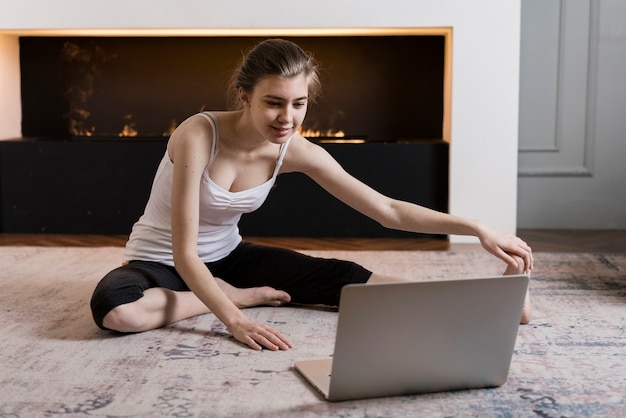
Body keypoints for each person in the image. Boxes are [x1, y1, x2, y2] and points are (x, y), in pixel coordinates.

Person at [90, 39, 533, 352]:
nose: (288, 117)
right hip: (160, 262)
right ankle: (241, 294)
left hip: (230, 258)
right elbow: (185, 256)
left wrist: (475, 227)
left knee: (347, 280)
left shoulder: (296, 150)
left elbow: (387, 209)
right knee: (117, 310)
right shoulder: (198, 133)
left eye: (298, 103)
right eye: (274, 102)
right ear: (244, 97)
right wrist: (235, 315)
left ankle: (488, 302)